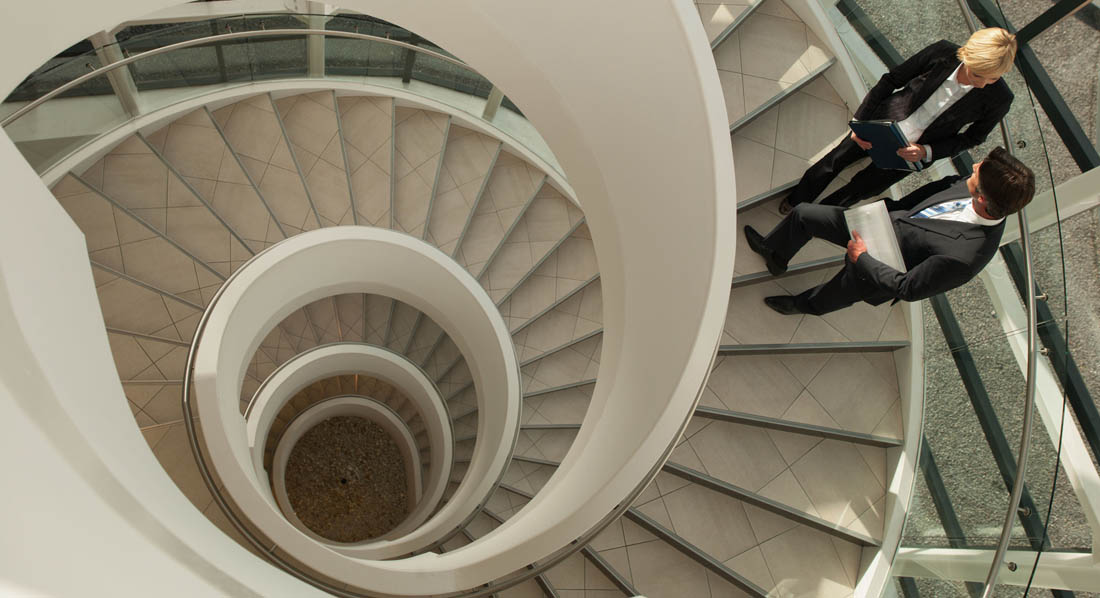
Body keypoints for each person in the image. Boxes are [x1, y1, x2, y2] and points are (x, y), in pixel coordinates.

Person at [744, 147, 1034, 316]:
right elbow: (922, 198)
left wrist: (863, 259)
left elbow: (908, 288)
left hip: (876, 269)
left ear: (984, 198)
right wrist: (887, 210)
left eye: (977, 172)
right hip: (875, 223)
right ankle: (776, 254)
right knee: (806, 214)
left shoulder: (966, 258)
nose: (973, 166)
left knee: (831, 296)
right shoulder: (971, 185)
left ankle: (800, 305)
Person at [778, 27, 1017, 215]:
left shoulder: (1000, 99)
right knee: (834, 162)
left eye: (993, 79)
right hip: (881, 124)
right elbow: (891, 79)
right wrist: (859, 120)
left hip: (911, 153)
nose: (983, 84)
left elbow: (973, 138)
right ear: (966, 55)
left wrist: (927, 151)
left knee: (859, 189)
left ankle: (810, 217)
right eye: (977, 74)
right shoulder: (942, 52)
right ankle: (796, 199)